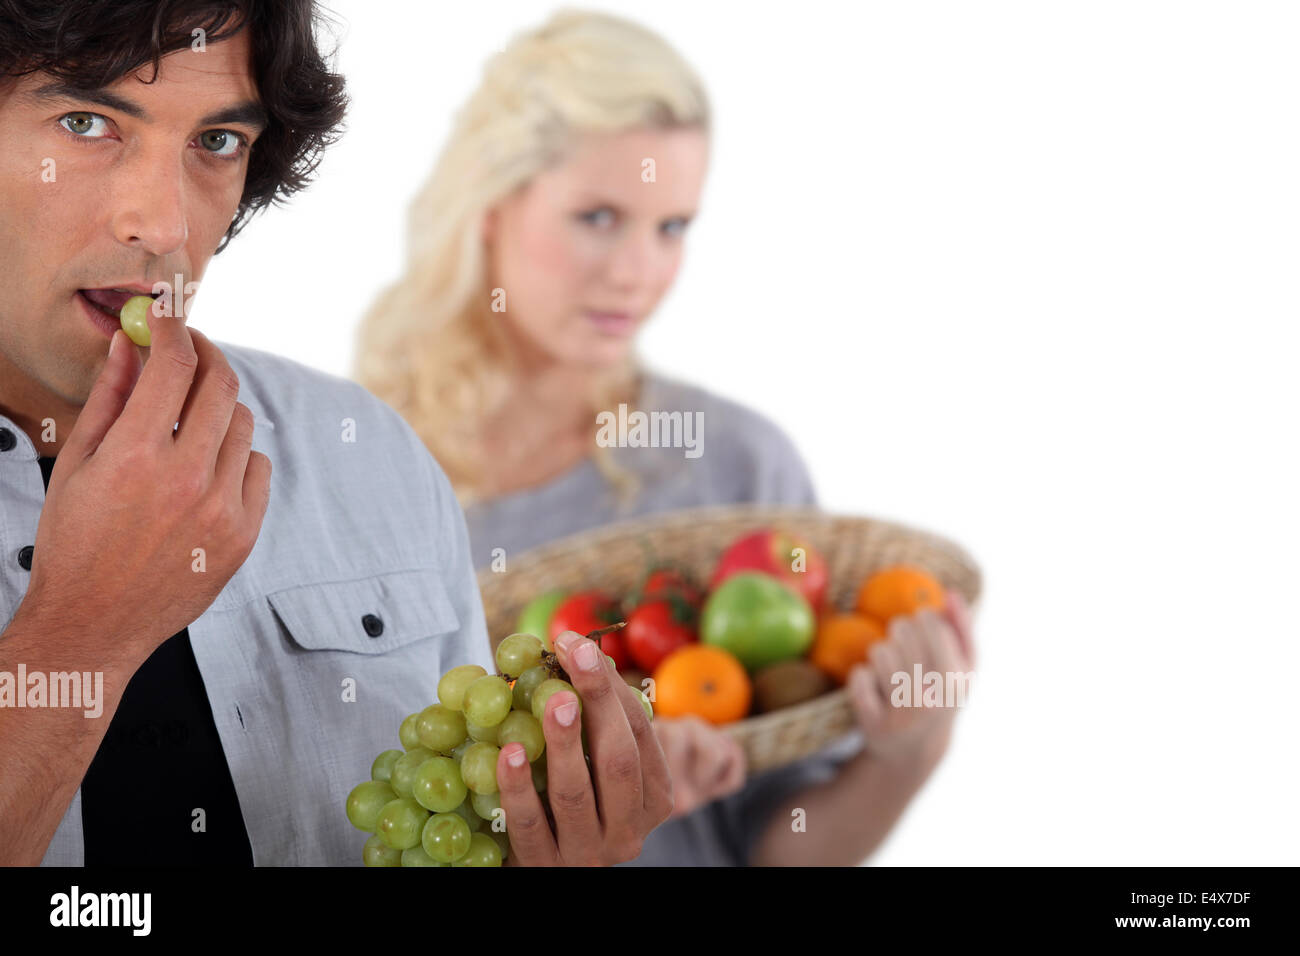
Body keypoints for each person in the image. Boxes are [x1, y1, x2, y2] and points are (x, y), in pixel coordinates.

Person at [0, 0, 670, 867]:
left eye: (216, 142)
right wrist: (84, 632)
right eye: (87, 123)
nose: (164, 228)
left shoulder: (366, 454)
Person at [354, 9, 977, 866]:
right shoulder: (351, 467)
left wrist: (909, 758)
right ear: (490, 205)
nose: (637, 272)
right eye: (599, 217)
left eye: (672, 226)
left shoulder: (738, 466)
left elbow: (785, 847)